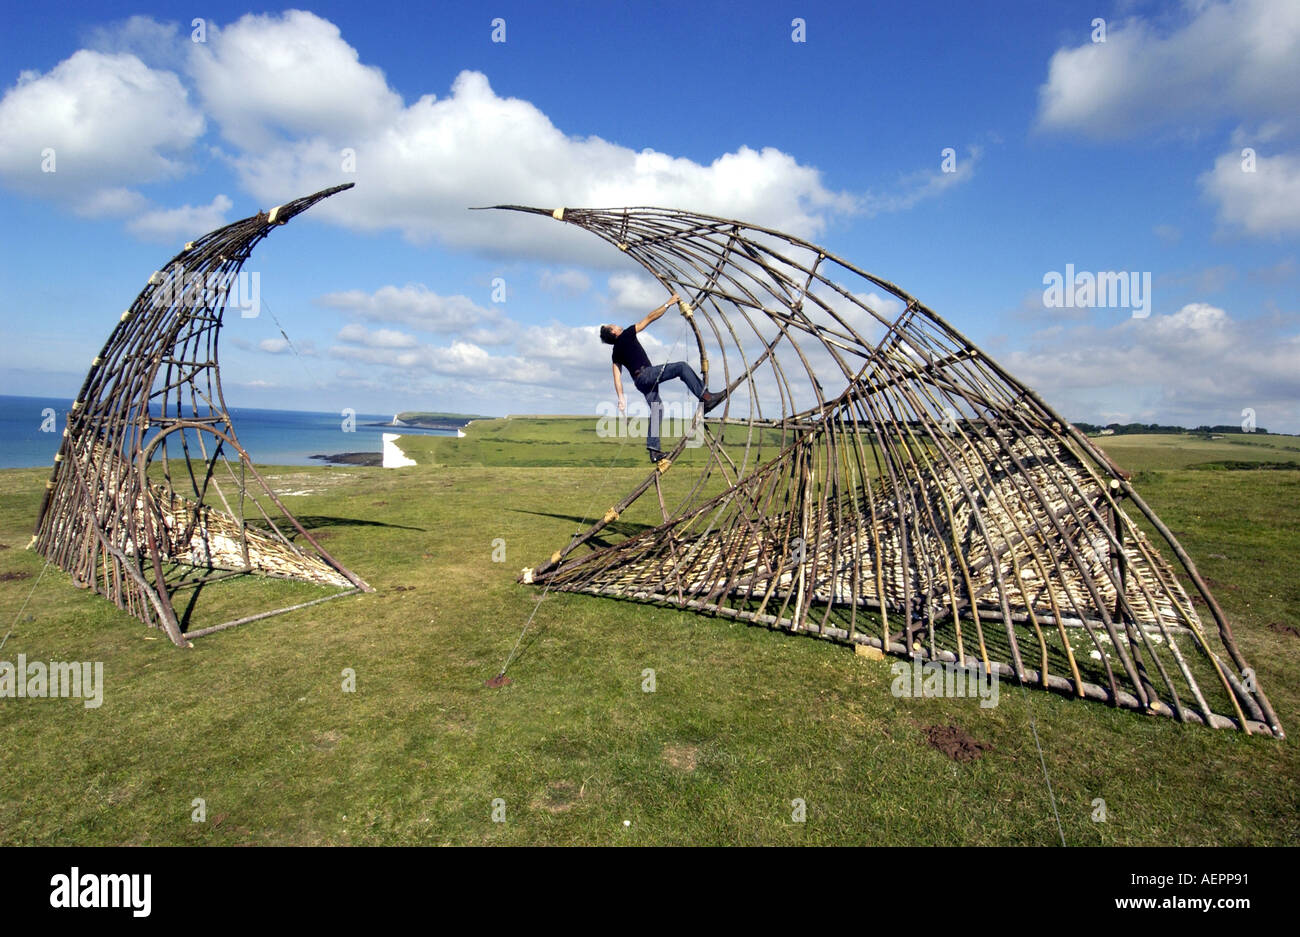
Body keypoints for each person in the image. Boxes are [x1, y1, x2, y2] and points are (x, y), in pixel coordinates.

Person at [601, 293, 726, 462]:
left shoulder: (615, 353)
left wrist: (621, 398)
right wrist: (669, 303)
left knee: (657, 409)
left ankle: (654, 451)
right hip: (646, 374)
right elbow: (650, 317)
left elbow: (617, 378)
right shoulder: (627, 334)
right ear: (614, 332)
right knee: (681, 367)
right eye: (613, 325)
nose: (616, 325)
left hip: (640, 382)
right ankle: (706, 397)